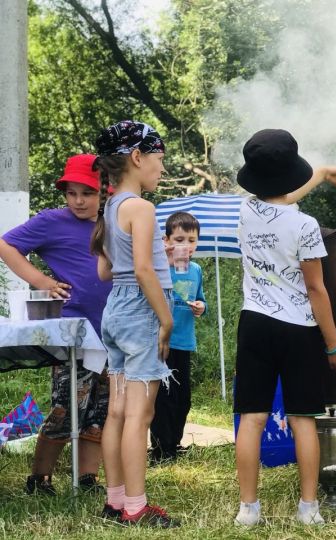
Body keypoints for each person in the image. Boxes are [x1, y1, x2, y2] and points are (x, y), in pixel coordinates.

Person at [233, 128, 336, 527]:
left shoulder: (245, 212)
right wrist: (334, 343)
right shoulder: (305, 227)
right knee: (304, 418)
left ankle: (248, 509)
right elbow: (316, 288)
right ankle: (309, 508)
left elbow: (279, 203)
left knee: (252, 418)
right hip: (299, 329)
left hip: (254, 323)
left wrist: (320, 173)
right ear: (291, 171)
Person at [0, 154, 112, 495]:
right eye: (72, 193)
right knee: (67, 408)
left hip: (112, 331)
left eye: (87, 193)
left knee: (100, 412)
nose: (78, 200)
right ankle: (39, 478)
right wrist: (41, 280)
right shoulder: (52, 221)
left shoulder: (114, 223)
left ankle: (87, 478)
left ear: (103, 192)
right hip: (72, 333)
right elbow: (5, 245)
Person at [91, 120, 178, 528]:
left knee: (118, 411)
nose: (162, 168)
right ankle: (136, 508)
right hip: (142, 312)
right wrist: (166, 319)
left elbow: (106, 272)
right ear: (137, 157)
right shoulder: (141, 208)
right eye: (159, 159)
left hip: (116, 311)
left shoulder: (109, 207)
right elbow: (144, 270)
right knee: (140, 415)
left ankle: (115, 501)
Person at [149, 211, 207, 464]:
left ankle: (175, 442)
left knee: (183, 398)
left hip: (185, 342)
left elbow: (202, 300)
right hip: (161, 342)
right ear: (167, 240)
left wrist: (200, 307)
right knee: (163, 398)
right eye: (180, 239)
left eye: (191, 240)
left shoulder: (196, 270)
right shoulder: (157, 266)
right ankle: (162, 450)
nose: (186, 246)